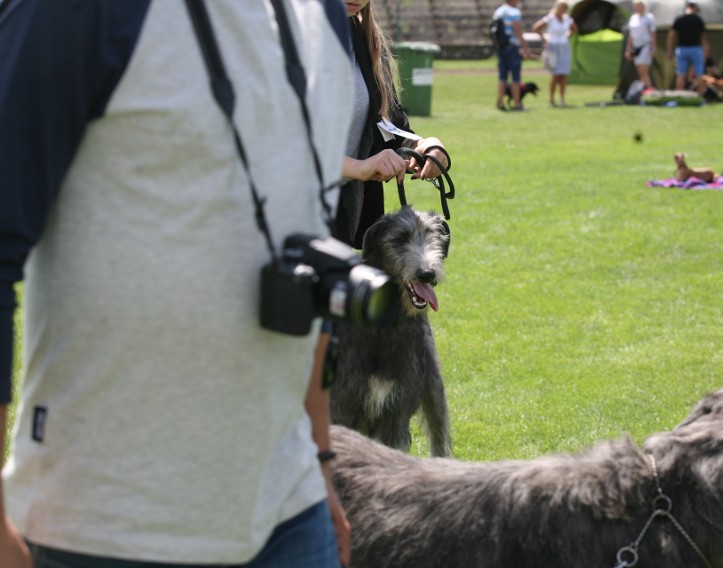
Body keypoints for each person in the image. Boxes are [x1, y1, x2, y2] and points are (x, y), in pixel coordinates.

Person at [0, 2, 355, 567]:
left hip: (288, 511)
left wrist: (320, 461)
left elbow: (306, 261)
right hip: (100, 530)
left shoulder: (325, 18)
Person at [336, 0, 448, 248]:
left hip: (340, 215)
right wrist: (356, 167)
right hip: (280, 215)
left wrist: (423, 145)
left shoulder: (362, 37)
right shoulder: (279, 38)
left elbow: (387, 125)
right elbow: (274, 143)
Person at [533, 0, 579, 108]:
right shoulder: (550, 18)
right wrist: (545, 38)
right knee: (555, 75)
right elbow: (537, 27)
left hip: (564, 47)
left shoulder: (567, 19)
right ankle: (552, 99)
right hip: (553, 47)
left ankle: (562, 99)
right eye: (563, 8)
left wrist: (567, 35)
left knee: (564, 74)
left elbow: (574, 29)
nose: (564, 10)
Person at [494, 0, 533, 111]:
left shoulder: (498, 11)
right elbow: (517, 30)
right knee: (515, 77)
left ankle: (500, 103)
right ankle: (517, 104)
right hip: (512, 47)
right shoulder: (514, 12)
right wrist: (525, 47)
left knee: (502, 77)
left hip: (501, 47)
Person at [667, 1, 708, 92]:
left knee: (680, 74)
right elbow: (702, 37)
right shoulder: (699, 20)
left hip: (682, 49)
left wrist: (670, 50)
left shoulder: (679, 19)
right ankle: (700, 99)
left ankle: (680, 97)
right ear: (694, 8)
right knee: (699, 74)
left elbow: (671, 35)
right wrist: (705, 50)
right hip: (696, 49)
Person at [625, 0, 657, 88]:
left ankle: (649, 92)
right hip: (635, 47)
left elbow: (653, 34)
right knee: (640, 72)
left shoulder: (649, 18)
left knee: (644, 71)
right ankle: (644, 91)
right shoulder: (633, 18)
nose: (637, 7)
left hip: (645, 46)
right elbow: (631, 35)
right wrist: (628, 49)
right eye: (636, 6)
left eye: (639, 5)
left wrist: (653, 48)